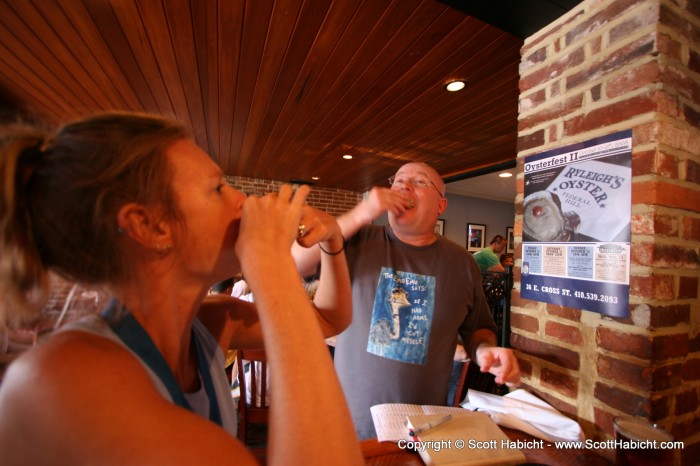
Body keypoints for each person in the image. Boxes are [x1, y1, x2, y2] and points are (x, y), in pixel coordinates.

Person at [0, 112, 363, 465]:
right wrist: (271, 264)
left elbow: (329, 319)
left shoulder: (213, 322)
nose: (244, 201)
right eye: (218, 188)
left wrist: (332, 241)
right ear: (149, 227)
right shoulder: (61, 380)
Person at [293, 161, 521, 439]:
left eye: (420, 181)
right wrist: (363, 212)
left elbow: (478, 330)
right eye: (398, 180)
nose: (404, 185)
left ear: (441, 206)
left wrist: (484, 351)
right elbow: (295, 262)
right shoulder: (356, 241)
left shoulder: (461, 263)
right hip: (345, 427)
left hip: (422, 432)